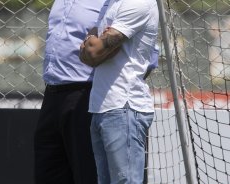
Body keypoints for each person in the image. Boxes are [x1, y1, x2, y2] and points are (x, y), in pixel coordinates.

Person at [79, 0, 159, 183]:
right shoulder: (110, 3)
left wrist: (94, 43)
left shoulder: (138, 2)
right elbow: (88, 51)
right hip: (102, 106)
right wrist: (94, 43)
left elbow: (93, 52)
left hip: (124, 107)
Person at [34, 0, 108, 184]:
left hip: (86, 94)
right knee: (48, 172)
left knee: (87, 173)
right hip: (52, 94)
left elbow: (147, 55)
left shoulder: (112, 3)